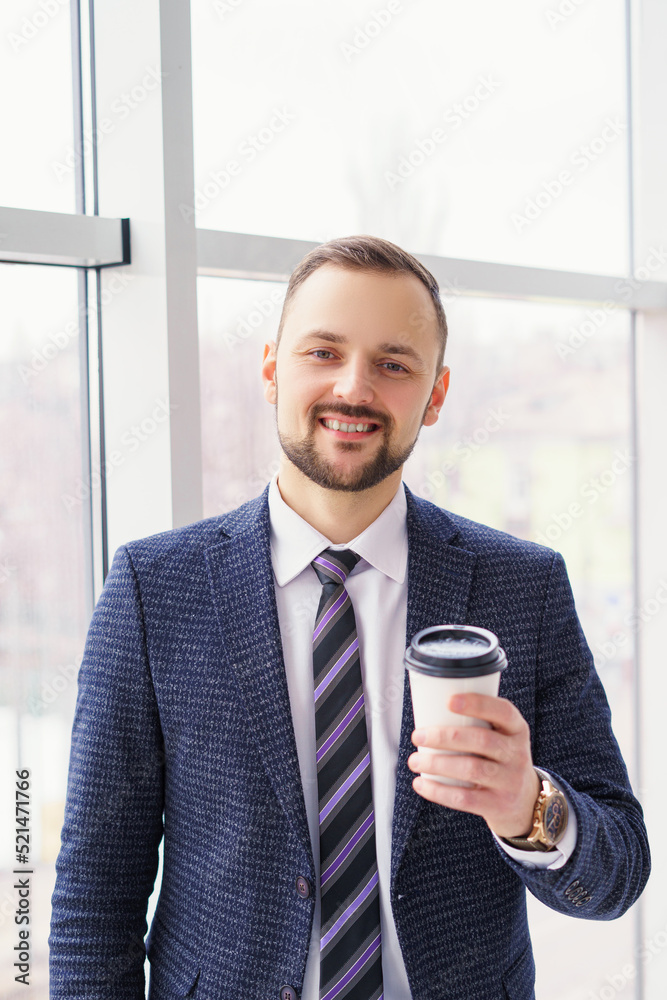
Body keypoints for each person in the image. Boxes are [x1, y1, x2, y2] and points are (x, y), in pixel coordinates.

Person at [50, 235, 650, 1000]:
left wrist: (526, 805)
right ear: (272, 368)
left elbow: (616, 872)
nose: (353, 387)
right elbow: (93, 897)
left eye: (393, 364)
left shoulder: (521, 586)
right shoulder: (153, 588)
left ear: (434, 395)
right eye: (322, 352)